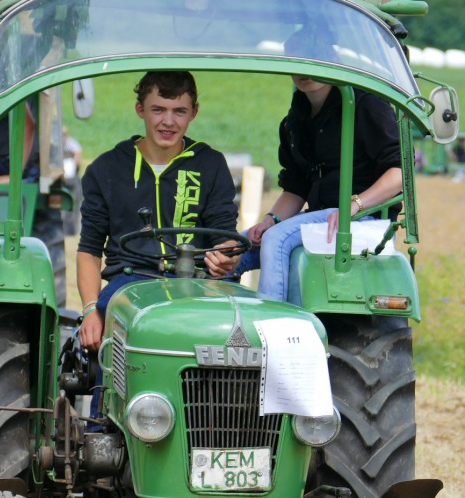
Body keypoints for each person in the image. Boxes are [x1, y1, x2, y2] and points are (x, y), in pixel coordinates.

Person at [230, 29, 402, 303]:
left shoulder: (366, 105)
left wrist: (354, 204)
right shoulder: (293, 123)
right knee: (230, 248)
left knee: (276, 240)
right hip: (316, 219)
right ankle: (218, 328)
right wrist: (268, 220)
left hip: (361, 218)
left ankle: (272, 329)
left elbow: (399, 173)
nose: (305, 68)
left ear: (332, 59)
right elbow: (296, 188)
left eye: (315, 58)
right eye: (298, 60)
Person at [76, 70, 240, 352]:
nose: (168, 121)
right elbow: (89, 250)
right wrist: (91, 309)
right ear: (140, 109)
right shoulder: (107, 168)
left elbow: (226, 237)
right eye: (158, 110)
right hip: (129, 283)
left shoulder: (210, 164)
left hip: (198, 284)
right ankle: (106, 396)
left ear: (194, 113)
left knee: (239, 332)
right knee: (113, 337)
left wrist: (226, 256)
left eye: (179, 111)